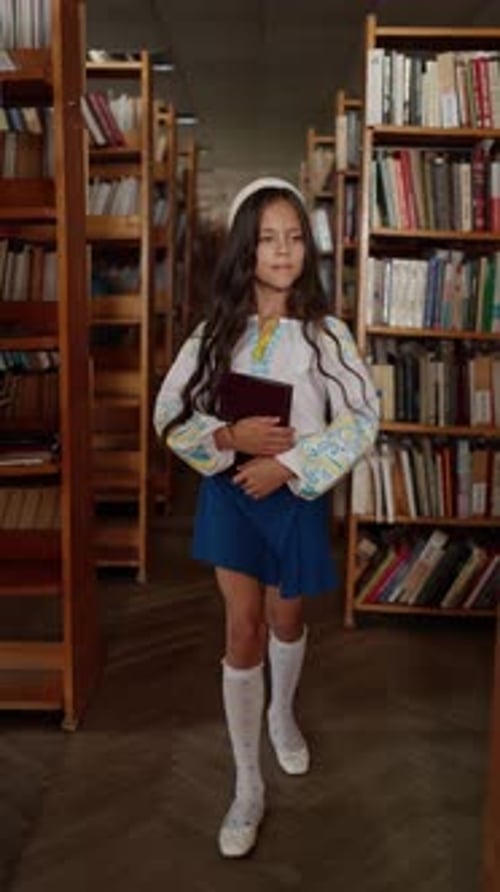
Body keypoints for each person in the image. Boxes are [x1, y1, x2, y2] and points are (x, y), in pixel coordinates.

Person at [153, 177, 379, 858]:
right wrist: (227, 440)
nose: (281, 251)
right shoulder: (212, 334)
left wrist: (289, 465)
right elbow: (170, 416)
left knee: (285, 619)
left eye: (292, 238)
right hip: (230, 495)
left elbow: (364, 418)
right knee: (242, 627)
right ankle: (247, 782)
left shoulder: (325, 334)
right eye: (266, 239)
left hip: (295, 495)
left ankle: (282, 714)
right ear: (244, 251)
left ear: (306, 248)